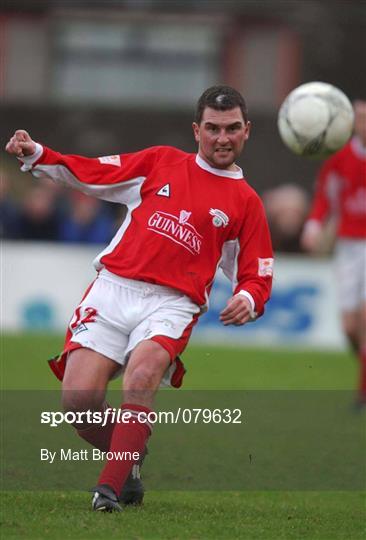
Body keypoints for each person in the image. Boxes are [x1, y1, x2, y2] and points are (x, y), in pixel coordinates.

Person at [5, 85, 273, 511]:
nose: (223, 137)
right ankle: (129, 454)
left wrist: (249, 298)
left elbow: (257, 271)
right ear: (196, 130)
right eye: (213, 128)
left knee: (143, 375)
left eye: (232, 128)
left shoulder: (246, 203)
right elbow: (92, 172)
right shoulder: (160, 162)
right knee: (78, 403)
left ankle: (108, 490)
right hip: (114, 289)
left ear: (247, 131)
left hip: (173, 303)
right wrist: (38, 152)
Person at [301, 99, 366, 407]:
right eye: (360, 117)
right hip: (348, 247)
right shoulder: (340, 157)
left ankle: (361, 394)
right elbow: (324, 198)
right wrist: (314, 225)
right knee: (350, 328)